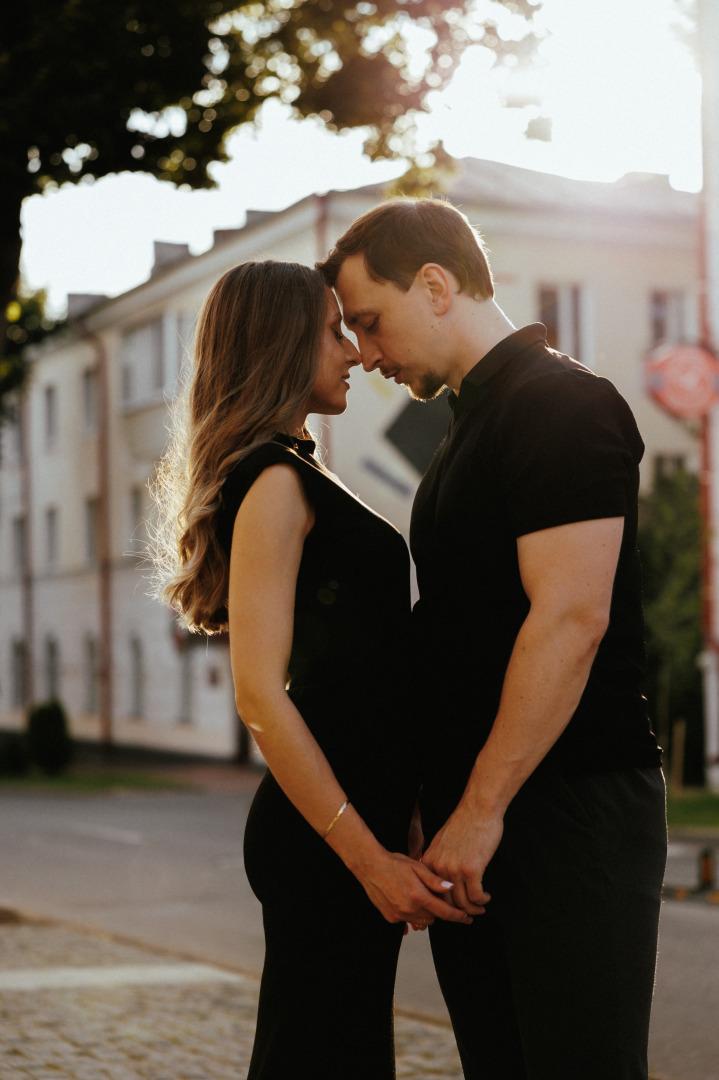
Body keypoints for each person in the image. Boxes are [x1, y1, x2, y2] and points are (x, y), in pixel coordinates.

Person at [318, 198, 667, 1080]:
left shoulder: (560, 402)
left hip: (568, 803)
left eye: (369, 321)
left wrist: (479, 810)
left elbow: (569, 620)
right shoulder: (469, 421)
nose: (364, 352)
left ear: (434, 286)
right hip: (484, 816)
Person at [151, 259, 472, 1080]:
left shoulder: (294, 471)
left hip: (351, 827)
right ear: (281, 342)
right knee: (320, 1057)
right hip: (324, 843)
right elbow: (260, 694)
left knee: (340, 1054)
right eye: (335, 330)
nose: (354, 351)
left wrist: (397, 818)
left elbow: (360, 671)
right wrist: (368, 859)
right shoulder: (275, 483)